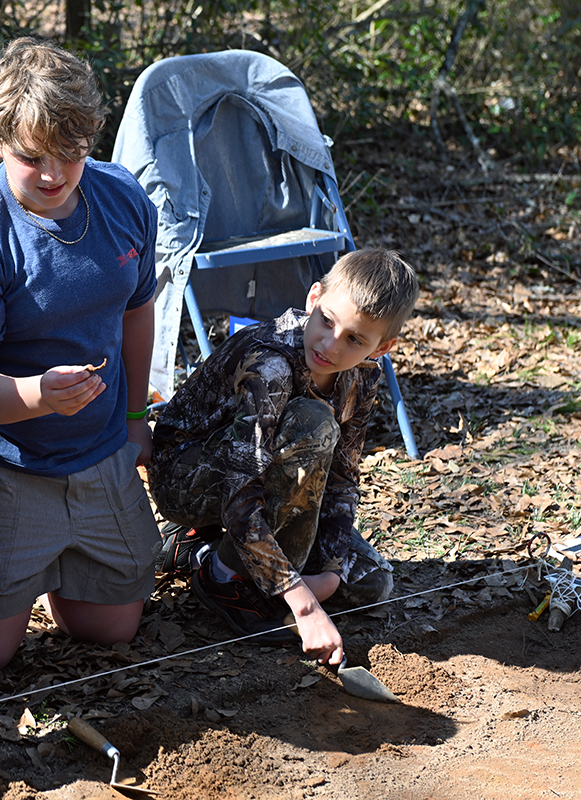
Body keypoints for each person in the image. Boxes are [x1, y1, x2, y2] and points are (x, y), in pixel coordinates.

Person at [0, 36, 160, 673]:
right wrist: (34, 395)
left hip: (100, 446)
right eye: (34, 158)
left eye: (73, 153)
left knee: (110, 631)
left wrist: (135, 419)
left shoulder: (124, 201)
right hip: (7, 461)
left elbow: (138, 310)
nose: (55, 174)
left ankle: (62, 564)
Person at [147, 248, 420, 665]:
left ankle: (202, 548)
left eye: (354, 339)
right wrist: (304, 604)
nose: (330, 344)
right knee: (312, 423)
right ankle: (221, 576)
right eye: (327, 321)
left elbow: (343, 479)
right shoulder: (271, 364)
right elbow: (241, 486)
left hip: (268, 489)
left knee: (372, 583)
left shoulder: (364, 376)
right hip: (189, 476)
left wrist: (328, 574)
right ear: (313, 298)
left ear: (382, 348)